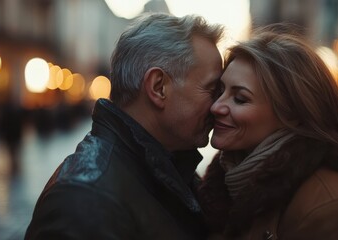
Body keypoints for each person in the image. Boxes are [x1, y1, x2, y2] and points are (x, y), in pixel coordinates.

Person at [25, 12, 224, 240]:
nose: (219, 105)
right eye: (212, 89)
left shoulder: (172, 167)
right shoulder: (85, 201)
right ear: (159, 87)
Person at [197, 23, 338, 240]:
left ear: (292, 115)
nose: (216, 107)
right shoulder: (224, 188)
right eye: (220, 91)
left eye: (240, 99)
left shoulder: (334, 209)